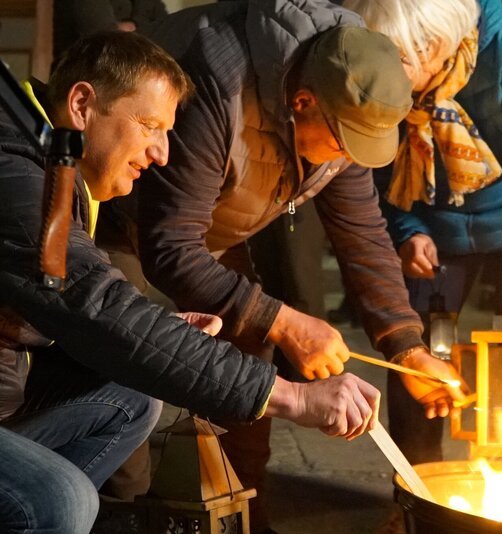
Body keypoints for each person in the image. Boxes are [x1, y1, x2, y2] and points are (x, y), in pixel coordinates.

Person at [96, 1, 466, 528]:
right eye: (342, 143)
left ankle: (246, 514)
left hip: (210, 225)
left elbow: (362, 232)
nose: (345, 158)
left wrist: (406, 347)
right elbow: (170, 248)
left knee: (247, 352)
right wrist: (287, 321)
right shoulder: (217, 85)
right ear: (302, 102)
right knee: (123, 375)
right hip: (112, 213)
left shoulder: (347, 99)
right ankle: (125, 514)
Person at [0, 30, 380, 532]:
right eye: (149, 125)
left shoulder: (55, 166)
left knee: (132, 399)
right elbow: (96, 305)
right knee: (62, 498)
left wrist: (164, 335)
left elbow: (70, 311)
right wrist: (292, 396)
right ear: (82, 103)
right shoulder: (17, 176)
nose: (160, 154)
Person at [344, 0, 502, 465]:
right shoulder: (384, 64)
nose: (389, 74)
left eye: (402, 59)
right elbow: (369, 165)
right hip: (430, 225)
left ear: (435, 46)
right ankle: (418, 491)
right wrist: (407, 230)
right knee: (418, 352)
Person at [53, 0, 169, 60]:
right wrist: (147, 28)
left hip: (137, 66)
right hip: (91, 72)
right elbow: (106, 37)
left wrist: (134, 25)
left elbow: (165, 27)